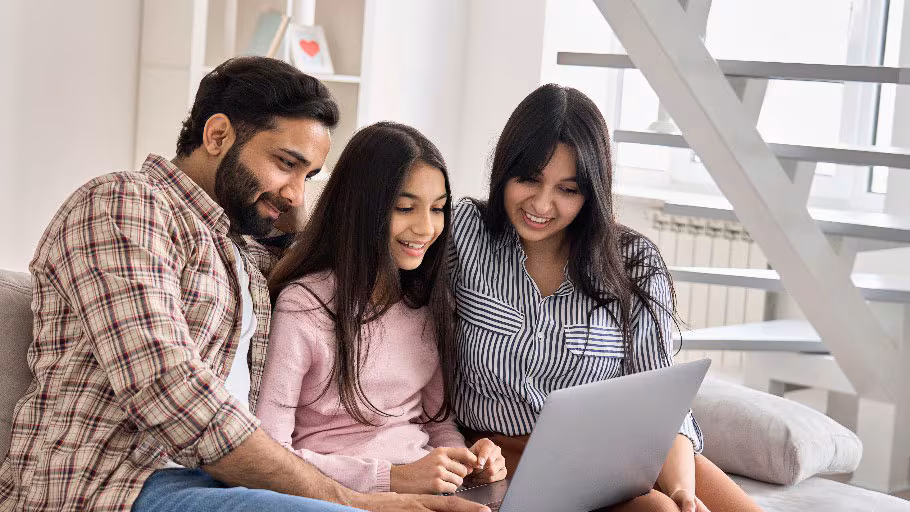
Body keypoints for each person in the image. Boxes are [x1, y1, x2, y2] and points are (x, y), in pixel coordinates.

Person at [0, 57, 487, 512]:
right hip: (118, 482)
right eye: (285, 162)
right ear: (217, 134)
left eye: (310, 174)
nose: (297, 190)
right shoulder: (125, 204)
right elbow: (169, 391)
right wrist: (353, 498)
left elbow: (345, 240)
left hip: (220, 481)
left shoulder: (244, 249)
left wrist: (290, 198)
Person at [448, 84, 764, 512]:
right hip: (500, 455)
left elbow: (659, 403)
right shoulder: (464, 232)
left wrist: (683, 490)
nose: (542, 204)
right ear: (505, 171)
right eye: (528, 179)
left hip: (617, 457)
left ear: (592, 192)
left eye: (568, 189)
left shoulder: (634, 262)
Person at [260, 122, 507, 496]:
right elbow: (271, 454)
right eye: (406, 208)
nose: (426, 228)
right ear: (362, 208)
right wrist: (390, 478)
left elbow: (437, 425)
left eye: (438, 209)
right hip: (341, 497)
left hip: (425, 490)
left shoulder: (425, 304)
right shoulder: (304, 306)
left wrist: (467, 461)